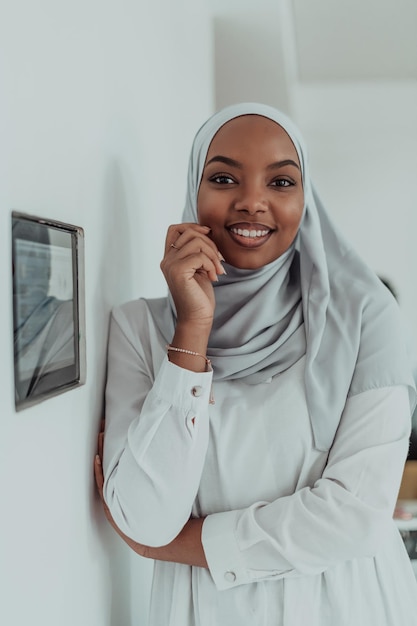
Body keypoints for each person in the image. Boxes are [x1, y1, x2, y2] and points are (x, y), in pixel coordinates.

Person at [95, 103, 417, 625]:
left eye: (281, 183)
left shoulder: (364, 317)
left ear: (305, 199)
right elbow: (148, 519)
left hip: (345, 606)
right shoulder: (140, 329)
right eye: (223, 177)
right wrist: (192, 331)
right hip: (203, 611)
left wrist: (180, 546)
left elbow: (355, 517)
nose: (251, 202)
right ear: (194, 191)